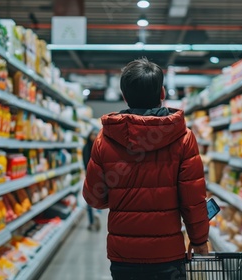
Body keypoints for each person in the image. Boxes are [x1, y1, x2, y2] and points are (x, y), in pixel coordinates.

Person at [83, 58, 209, 280]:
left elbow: (94, 198)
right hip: (168, 254)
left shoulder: (105, 139)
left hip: (123, 255)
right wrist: (199, 241)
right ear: (162, 92)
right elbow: (193, 201)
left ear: (124, 95)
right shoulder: (183, 138)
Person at [82, 129, 101, 231]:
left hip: (92, 176)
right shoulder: (98, 147)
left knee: (91, 198)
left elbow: (85, 163)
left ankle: (92, 220)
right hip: (97, 176)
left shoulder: (87, 148)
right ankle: (96, 214)